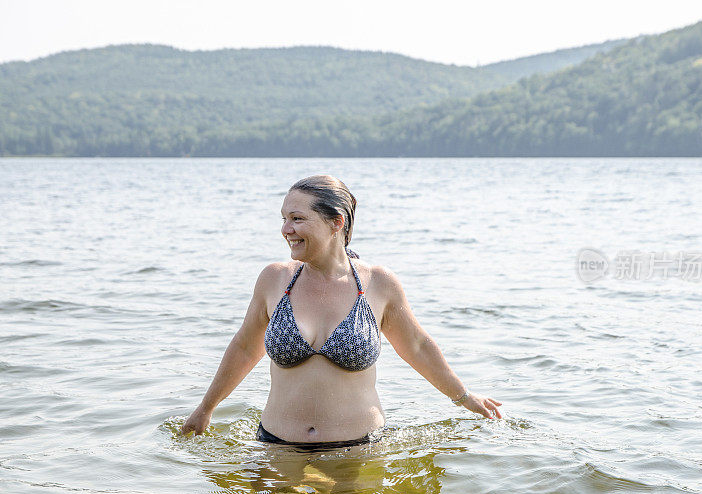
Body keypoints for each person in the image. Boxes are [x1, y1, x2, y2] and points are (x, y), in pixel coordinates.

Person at [181, 175, 503, 449]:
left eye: (297, 218)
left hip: (358, 450)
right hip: (276, 446)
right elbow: (243, 348)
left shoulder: (378, 283)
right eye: (283, 219)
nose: (286, 229)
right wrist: (206, 408)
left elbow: (417, 347)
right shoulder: (274, 278)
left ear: (336, 223)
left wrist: (463, 397)